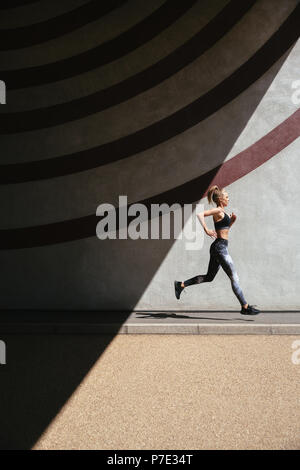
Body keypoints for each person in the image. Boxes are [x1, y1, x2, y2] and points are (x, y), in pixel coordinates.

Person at [174, 185, 260, 315]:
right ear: (220, 200)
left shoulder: (223, 213)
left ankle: (181, 285)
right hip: (220, 248)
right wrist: (206, 229)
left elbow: (223, 231)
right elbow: (200, 214)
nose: (228, 199)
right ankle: (245, 306)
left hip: (219, 246)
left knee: (209, 277)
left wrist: (231, 222)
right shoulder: (218, 211)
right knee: (234, 277)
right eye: (227, 197)